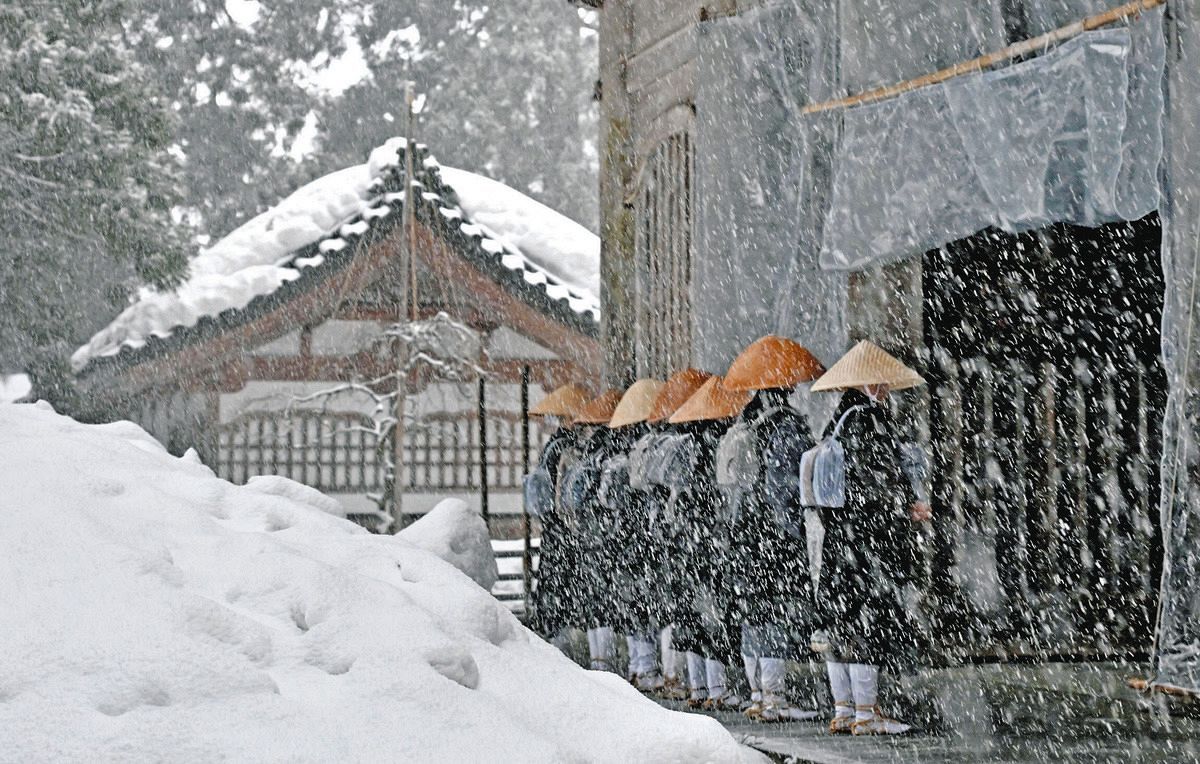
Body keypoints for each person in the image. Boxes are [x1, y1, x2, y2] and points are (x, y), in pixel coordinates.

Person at [809, 340, 931, 736]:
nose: (887, 389)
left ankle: (843, 709)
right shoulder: (869, 420)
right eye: (883, 383)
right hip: (868, 541)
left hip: (840, 538)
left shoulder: (839, 420)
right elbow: (876, 484)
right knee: (868, 621)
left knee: (840, 621)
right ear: (872, 383)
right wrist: (905, 507)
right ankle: (867, 713)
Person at [720, 336, 826, 722]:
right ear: (786, 389)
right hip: (773, 532)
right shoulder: (786, 428)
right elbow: (787, 485)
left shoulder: (743, 424)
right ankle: (777, 699)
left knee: (754, 612)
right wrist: (796, 530)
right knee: (776, 612)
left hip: (745, 529)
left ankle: (759, 694)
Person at [667, 376, 753, 710]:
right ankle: (717, 689)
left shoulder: (686, 446)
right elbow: (722, 495)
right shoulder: (718, 445)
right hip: (709, 542)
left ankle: (698, 688)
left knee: (691, 617)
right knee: (713, 616)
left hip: (687, 543)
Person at [630, 368, 712, 699]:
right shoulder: (683, 446)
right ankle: (678, 677)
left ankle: (665, 673)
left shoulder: (648, 447)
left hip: (657, 532)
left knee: (668, 609)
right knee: (685, 609)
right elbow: (689, 490)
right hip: (683, 535)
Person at [602, 379, 665, 690]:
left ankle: (638, 665)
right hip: (644, 537)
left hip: (622, 538)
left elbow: (607, 502)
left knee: (632, 606)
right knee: (649, 603)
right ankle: (649, 667)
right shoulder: (647, 451)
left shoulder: (614, 459)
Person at [525, 383, 592, 655]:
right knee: (564, 581)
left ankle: (554, 631)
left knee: (553, 578)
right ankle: (560, 637)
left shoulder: (551, 446)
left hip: (552, 523)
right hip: (564, 523)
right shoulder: (568, 449)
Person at [561, 389, 625, 672]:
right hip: (606, 533)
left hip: (586, 532)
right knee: (608, 599)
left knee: (594, 598)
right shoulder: (611, 454)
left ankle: (598, 659)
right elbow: (610, 498)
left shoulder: (583, 454)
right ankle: (606, 660)